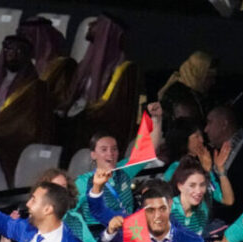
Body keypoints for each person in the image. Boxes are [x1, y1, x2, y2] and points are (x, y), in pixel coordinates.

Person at [70, 102, 163, 228]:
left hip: (129, 235)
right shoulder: (82, 182)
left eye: (114, 149)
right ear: (93, 154)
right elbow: (68, 213)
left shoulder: (124, 170)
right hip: (98, 239)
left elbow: (148, 151)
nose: (110, 153)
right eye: (104, 149)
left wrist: (156, 119)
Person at [0, 35, 52, 183]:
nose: (12, 54)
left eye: (18, 50)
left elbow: (27, 125)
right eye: (9, 49)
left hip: (13, 139)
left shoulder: (35, 88)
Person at [61, 14, 138, 152]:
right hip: (76, 123)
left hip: (98, 130)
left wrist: (89, 112)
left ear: (106, 31)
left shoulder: (120, 70)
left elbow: (114, 110)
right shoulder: (85, 63)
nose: (90, 26)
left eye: (96, 23)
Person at [169, 156, 234, 235]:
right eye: (192, 185)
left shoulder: (203, 210)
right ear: (180, 186)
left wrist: (219, 171)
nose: (198, 191)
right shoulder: (168, 208)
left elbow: (228, 200)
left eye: (202, 185)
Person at [157, 51, 217, 123]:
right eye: (209, 77)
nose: (213, 82)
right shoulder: (180, 96)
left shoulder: (192, 93)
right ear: (198, 75)